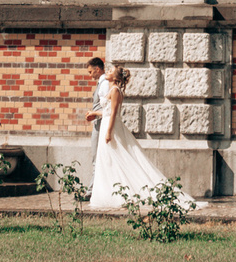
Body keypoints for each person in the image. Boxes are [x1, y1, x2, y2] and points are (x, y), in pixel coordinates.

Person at [81, 56, 196, 211]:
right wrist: (95, 113)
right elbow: (107, 112)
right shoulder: (112, 89)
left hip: (110, 127)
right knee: (107, 160)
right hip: (107, 124)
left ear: (115, 77)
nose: (107, 72)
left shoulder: (115, 91)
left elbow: (114, 113)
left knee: (114, 158)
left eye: (110, 71)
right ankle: (109, 192)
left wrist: (108, 132)